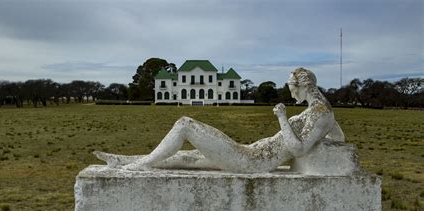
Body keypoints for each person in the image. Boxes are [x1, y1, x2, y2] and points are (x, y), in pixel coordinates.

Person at [94, 67, 344, 173]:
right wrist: (331, 146)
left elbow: (299, 148)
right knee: (189, 158)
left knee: (185, 124)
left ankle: (140, 166)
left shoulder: (320, 113)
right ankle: (122, 161)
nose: (290, 92)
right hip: (251, 153)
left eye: (292, 88)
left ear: (304, 86)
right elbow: (339, 137)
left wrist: (282, 119)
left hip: (252, 161)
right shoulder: (323, 111)